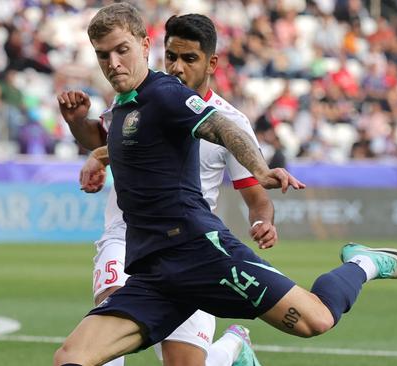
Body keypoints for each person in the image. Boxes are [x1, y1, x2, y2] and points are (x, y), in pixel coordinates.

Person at [54, 4, 397, 366]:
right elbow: (120, 144)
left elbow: (222, 125)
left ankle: (363, 263)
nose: (113, 63)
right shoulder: (123, 108)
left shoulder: (166, 92)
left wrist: (261, 171)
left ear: (144, 46)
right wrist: (88, 143)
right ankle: (231, 350)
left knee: (316, 320)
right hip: (153, 271)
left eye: (122, 50)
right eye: (103, 55)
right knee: (71, 358)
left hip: (199, 254)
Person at [65, 14, 277, 366]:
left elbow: (256, 197)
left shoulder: (229, 123)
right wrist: (94, 151)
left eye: (188, 59)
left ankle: (232, 348)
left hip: (185, 245)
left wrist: (262, 221)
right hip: (126, 235)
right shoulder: (139, 96)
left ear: (211, 63)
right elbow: (108, 140)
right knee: (107, 325)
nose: (177, 68)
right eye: (172, 58)